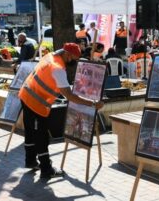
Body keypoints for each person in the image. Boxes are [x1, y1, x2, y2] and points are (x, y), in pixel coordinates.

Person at [18, 43, 104, 179]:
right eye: (73, 59)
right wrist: (92, 103)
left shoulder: (50, 56)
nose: (74, 62)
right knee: (42, 136)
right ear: (67, 54)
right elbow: (69, 96)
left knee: (30, 131)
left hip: (26, 94)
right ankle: (46, 169)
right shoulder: (58, 69)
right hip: (36, 103)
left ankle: (30, 161)